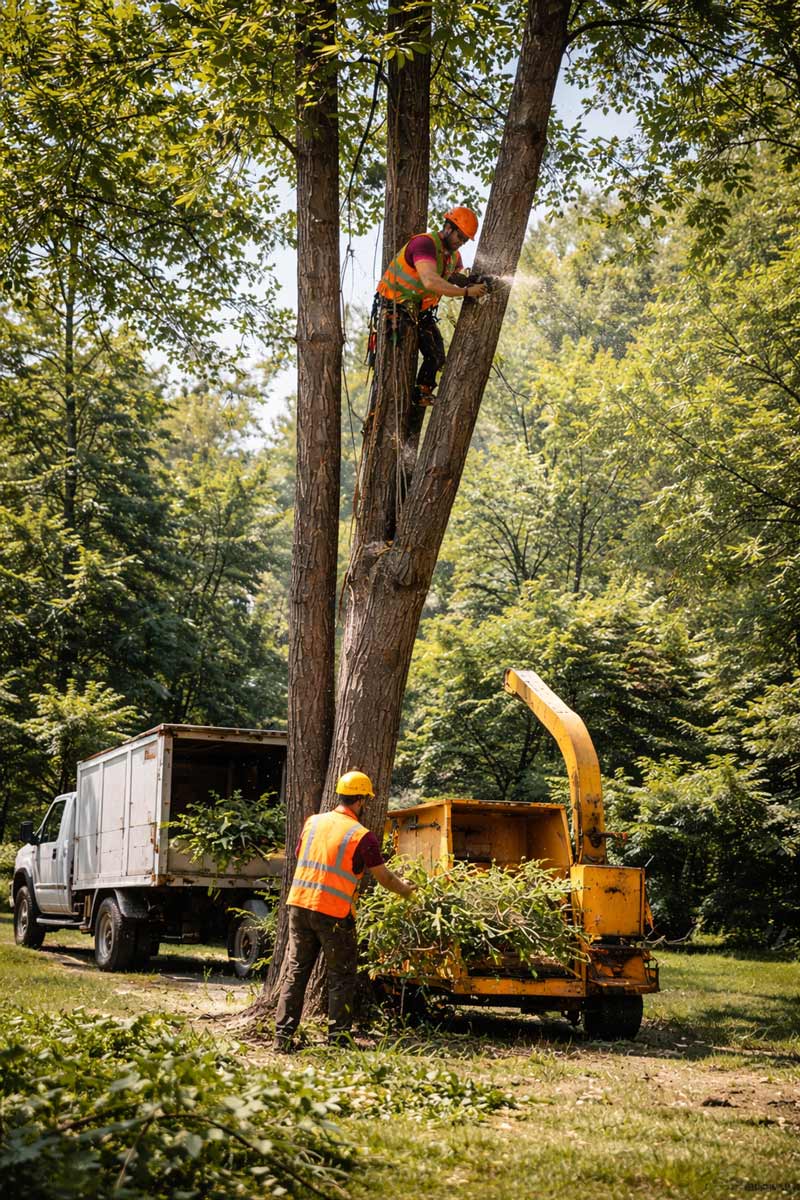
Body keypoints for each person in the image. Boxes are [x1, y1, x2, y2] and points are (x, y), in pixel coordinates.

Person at [273, 769, 415, 1052]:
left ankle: (282, 1039)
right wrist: (408, 891)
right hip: (333, 912)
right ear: (361, 800)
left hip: (299, 905)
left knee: (296, 972)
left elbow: (306, 857)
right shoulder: (362, 835)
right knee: (341, 975)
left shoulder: (312, 822)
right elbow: (384, 878)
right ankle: (338, 1041)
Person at [374, 206, 488, 406]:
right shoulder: (424, 244)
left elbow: (450, 275)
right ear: (448, 228)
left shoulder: (453, 256)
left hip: (420, 312)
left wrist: (468, 281)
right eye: (459, 237)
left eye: (464, 240)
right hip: (395, 306)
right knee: (397, 362)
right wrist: (467, 292)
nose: (460, 243)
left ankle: (422, 393)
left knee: (436, 356)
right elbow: (430, 281)